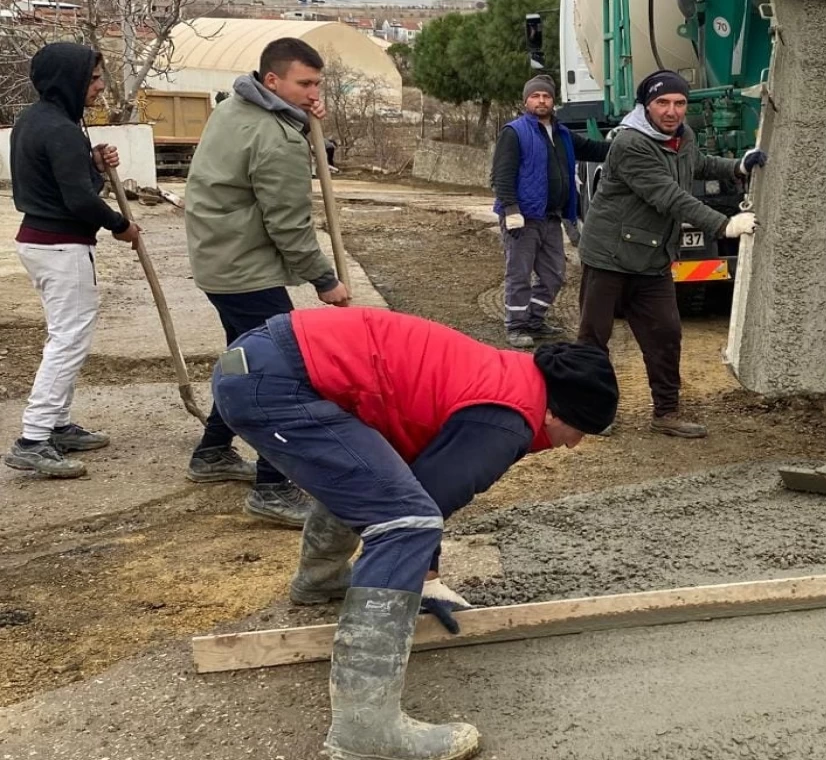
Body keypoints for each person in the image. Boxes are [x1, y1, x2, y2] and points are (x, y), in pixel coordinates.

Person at [210, 306, 618, 760]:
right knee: (405, 522)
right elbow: (425, 503)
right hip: (276, 383)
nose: (575, 443)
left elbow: (406, 476)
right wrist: (426, 579)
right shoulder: (507, 417)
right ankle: (366, 729)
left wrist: (424, 576)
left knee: (373, 481)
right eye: (580, 430)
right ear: (560, 410)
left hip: (260, 363)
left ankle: (319, 580)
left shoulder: (505, 378)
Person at [183, 37, 351, 527]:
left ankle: (211, 453)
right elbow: (289, 224)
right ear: (272, 81)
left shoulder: (234, 106)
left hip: (220, 260)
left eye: (317, 83)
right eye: (305, 83)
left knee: (244, 359)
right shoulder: (275, 138)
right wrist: (324, 279)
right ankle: (272, 487)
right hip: (243, 269)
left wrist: (302, 115)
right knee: (277, 373)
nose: (313, 92)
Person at [575, 69, 764, 438]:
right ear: (646, 106)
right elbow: (669, 195)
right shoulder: (630, 144)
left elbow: (698, 164)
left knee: (666, 333)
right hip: (608, 255)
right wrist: (724, 226)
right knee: (594, 337)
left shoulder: (683, 136)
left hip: (652, 257)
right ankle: (592, 412)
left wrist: (738, 166)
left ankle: (666, 412)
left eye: (679, 103)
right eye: (662, 102)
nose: (672, 111)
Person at [3, 42, 142, 479]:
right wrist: (120, 224)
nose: (99, 87)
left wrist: (94, 163)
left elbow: (64, 180)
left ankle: (57, 425)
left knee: (64, 335)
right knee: (68, 341)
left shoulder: (37, 120)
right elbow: (79, 199)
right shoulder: (60, 128)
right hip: (60, 247)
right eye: (94, 78)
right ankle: (33, 438)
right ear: (70, 79)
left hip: (43, 243)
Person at [491, 74, 611, 348]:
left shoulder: (562, 133)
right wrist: (510, 209)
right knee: (519, 274)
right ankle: (516, 325)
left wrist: (625, 146)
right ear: (526, 101)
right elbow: (502, 174)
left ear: (553, 101)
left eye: (546, 96)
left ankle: (534, 319)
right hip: (522, 218)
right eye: (535, 96)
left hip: (551, 217)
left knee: (554, 274)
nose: (541, 100)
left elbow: (593, 149)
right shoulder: (515, 132)